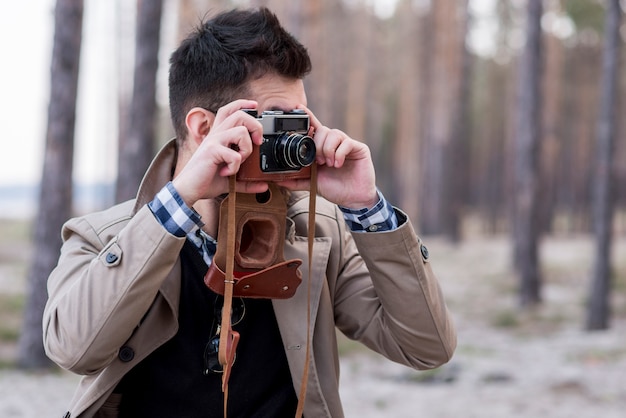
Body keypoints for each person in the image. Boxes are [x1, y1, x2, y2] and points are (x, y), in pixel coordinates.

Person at [43, 7, 456, 418]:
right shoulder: (103, 237)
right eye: (275, 123)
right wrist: (180, 200)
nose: (292, 142)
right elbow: (72, 349)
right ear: (204, 129)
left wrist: (367, 208)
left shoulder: (319, 233)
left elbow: (426, 347)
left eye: (298, 122)